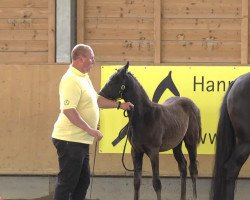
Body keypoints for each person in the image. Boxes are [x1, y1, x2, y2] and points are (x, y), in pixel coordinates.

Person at [51, 44, 134, 200]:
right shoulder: (71, 79)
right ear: (81, 59)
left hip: (80, 141)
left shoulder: (83, 77)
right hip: (69, 140)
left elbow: (96, 100)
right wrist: (90, 130)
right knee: (67, 183)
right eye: (91, 58)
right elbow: (69, 111)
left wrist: (120, 105)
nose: (93, 62)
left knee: (82, 182)